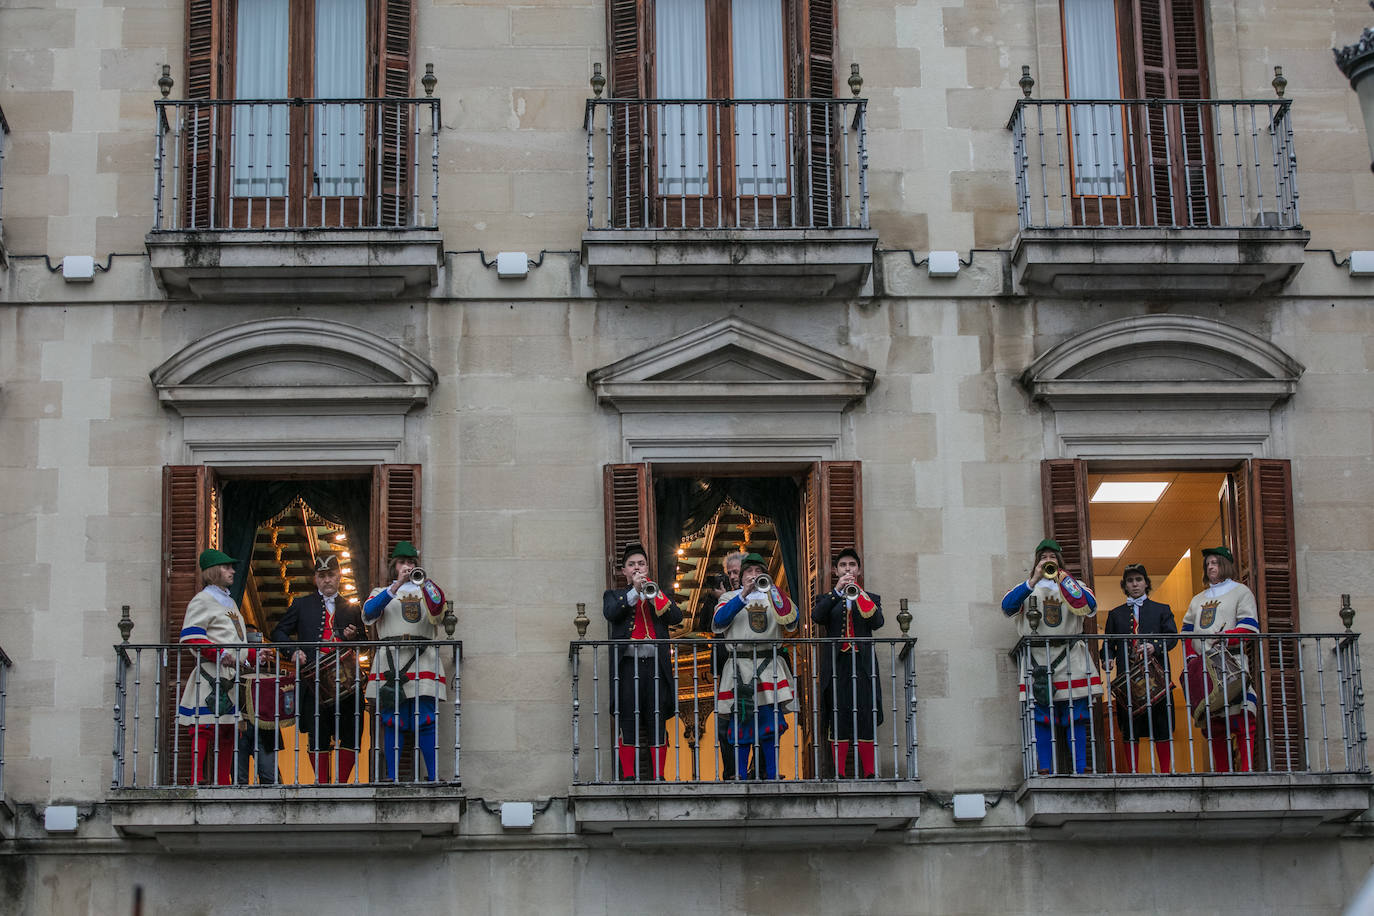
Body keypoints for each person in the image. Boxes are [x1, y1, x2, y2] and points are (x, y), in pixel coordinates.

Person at [1001, 538, 1102, 775]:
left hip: (1071, 657)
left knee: (1076, 714)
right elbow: (1007, 607)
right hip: (1038, 660)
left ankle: (1080, 767)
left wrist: (1064, 580)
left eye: (1053, 557)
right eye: (1044, 557)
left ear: (1060, 561)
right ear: (1037, 562)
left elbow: (1089, 606)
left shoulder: (1075, 585)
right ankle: (1045, 767)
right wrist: (1033, 580)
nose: (1049, 561)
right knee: (1041, 716)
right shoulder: (1027, 588)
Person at [272, 555, 364, 784]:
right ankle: (321, 783)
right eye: (322, 576)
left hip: (346, 681)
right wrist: (293, 651)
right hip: (314, 681)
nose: (327, 580)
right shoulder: (301, 605)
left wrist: (354, 637)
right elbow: (278, 633)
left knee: (352, 730)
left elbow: (364, 643)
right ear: (315, 579)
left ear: (339, 576)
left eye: (331, 575)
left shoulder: (352, 608)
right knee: (318, 732)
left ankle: (341, 783)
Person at [363, 541, 447, 781]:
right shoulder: (380, 592)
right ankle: (393, 777)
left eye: (411, 563)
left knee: (426, 719)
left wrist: (425, 582)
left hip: (424, 660)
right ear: (394, 566)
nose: (407, 566)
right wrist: (397, 585)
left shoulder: (427, 591)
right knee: (392, 720)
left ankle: (432, 776)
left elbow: (438, 609)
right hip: (391, 661)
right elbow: (369, 612)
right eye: (402, 562)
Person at [177, 548, 259, 786]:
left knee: (229, 730)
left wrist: (255, 655)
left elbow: (237, 642)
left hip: (231, 676)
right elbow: (192, 637)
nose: (232, 571)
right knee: (202, 726)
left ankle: (223, 780)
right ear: (214, 571)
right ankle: (196, 778)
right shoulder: (202, 600)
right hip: (210, 673)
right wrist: (220, 654)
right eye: (227, 567)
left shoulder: (230, 602)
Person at [603, 542, 684, 781]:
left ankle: (659, 775)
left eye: (641, 564)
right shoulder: (614, 596)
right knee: (628, 719)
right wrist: (634, 593)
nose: (637, 568)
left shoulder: (658, 593)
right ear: (624, 571)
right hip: (628, 666)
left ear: (647, 568)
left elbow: (676, 617)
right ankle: (629, 776)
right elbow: (610, 613)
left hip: (655, 666)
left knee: (656, 720)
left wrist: (654, 594)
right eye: (632, 565)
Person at [713, 552, 797, 780]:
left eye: (759, 571)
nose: (754, 575)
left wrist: (773, 590)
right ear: (741, 577)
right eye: (749, 571)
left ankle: (771, 773)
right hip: (739, 668)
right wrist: (744, 594)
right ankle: (740, 775)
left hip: (769, 666)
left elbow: (792, 620)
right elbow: (719, 621)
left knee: (771, 723)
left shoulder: (775, 596)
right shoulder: (728, 597)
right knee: (740, 723)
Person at [1181, 545, 1260, 773]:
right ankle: (1223, 771)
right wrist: (1190, 658)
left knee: (1243, 716)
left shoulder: (1241, 592)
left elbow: (1249, 627)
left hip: (1231, 662)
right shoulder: (1197, 599)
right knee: (1214, 725)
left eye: (1214, 563)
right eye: (1208, 564)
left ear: (1224, 565)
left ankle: (1246, 770)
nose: (1210, 567)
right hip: (1203, 667)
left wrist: (1226, 637)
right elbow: (1186, 633)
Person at [812, 548, 885, 778]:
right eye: (843, 565)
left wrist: (859, 594)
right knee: (838, 713)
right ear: (836, 570)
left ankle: (869, 772)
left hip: (862, 664)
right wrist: (837, 591)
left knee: (865, 713)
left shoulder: (871, 598)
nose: (847, 569)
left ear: (859, 570)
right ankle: (840, 772)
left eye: (852, 565)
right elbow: (817, 616)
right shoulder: (826, 599)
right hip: (838, 664)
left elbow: (877, 622)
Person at [1103, 563, 1177, 774]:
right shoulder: (1115, 614)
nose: (1134, 584)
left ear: (1146, 583)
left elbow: (1172, 638)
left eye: (1138, 580)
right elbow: (1108, 643)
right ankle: (1133, 772)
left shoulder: (1162, 610)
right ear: (1125, 585)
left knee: (1162, 723)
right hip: (1128, 679)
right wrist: (1107, 658)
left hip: (1157, 678)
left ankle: (1165, 773)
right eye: (1130, 581)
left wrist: (1155, 646)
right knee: (1130, 727)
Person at [712, 551, 746, 780]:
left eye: (736, 572)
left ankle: (761, 771)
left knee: (761, 722)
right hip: (729, 667)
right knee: (726, 725)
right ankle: (731, 772)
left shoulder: (763, 594)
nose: (733, 576)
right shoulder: (723, 598)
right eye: (730, 572)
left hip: (759, 666)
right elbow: (715, 623)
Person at [235, 626, 282, 786]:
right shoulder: (232, 661)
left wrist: (262, 660)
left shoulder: (269, 664)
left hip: (264, 725)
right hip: (240, 723)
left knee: (269, 776)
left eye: (256, 639)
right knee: (239, 778)